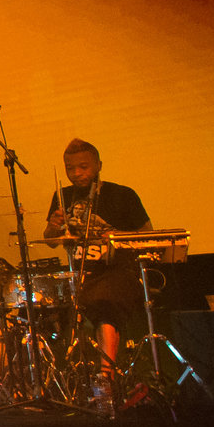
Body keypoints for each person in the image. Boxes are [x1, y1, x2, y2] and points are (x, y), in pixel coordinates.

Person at [42, 139, 155, 372]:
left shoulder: (122, 195)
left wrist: (116, 238)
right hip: (80, 273)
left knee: (104, 300)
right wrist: (53, 227)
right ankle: (64, 375)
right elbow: (51, 241)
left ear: (99, 165)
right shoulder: (62, 195)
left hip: (116, 272)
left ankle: (106, 373)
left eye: (83, 167)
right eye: (70, 168)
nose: (76, 173)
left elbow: (148, 236)